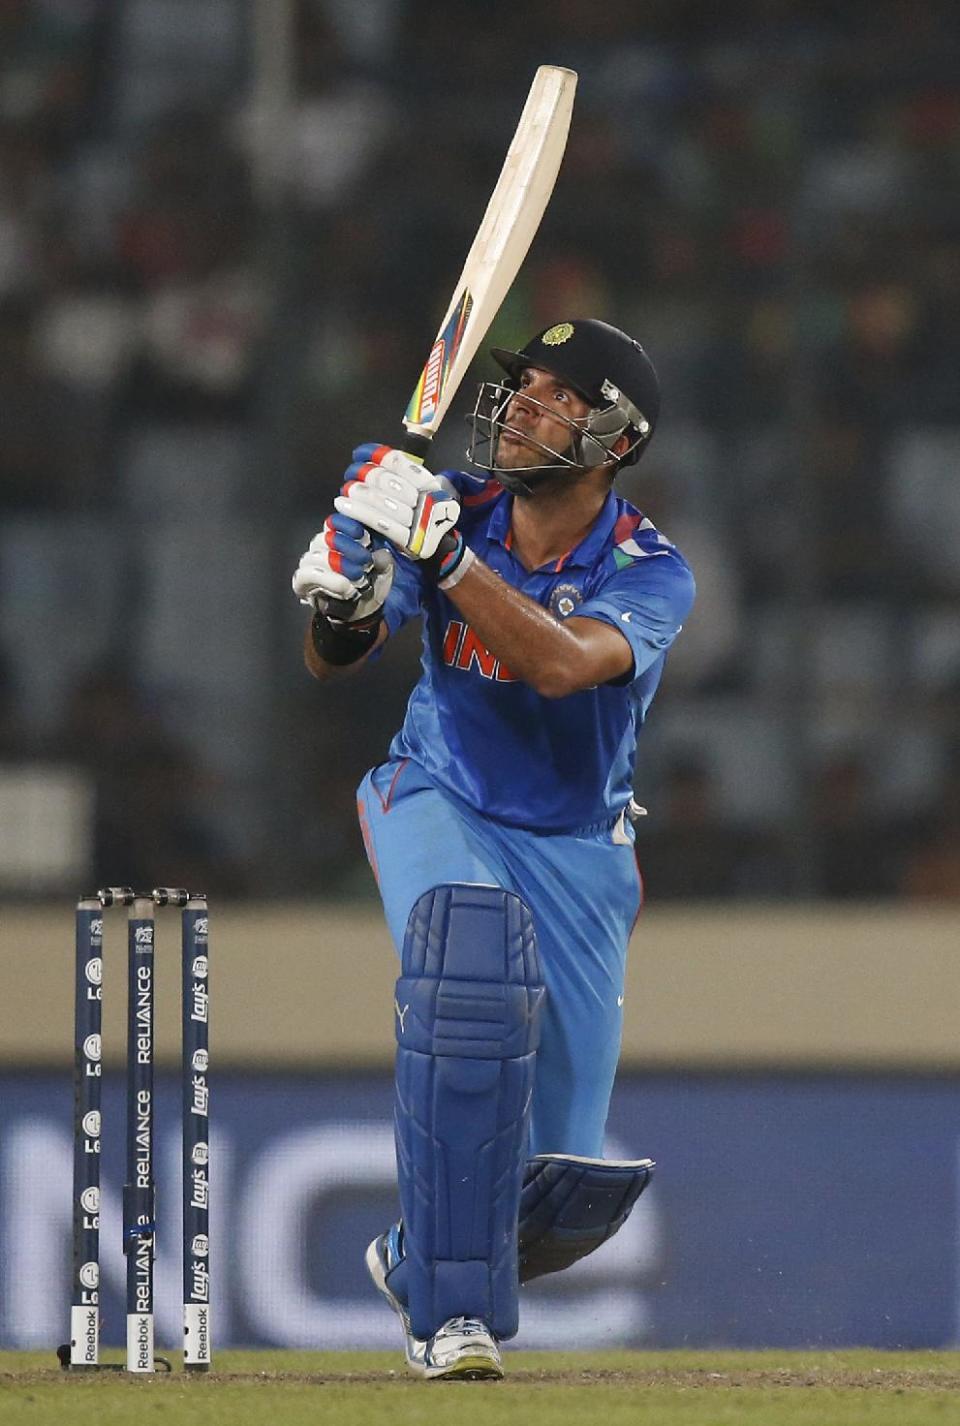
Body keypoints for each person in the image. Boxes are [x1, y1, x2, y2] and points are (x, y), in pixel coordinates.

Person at [292, 318, 695, 1379]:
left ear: (613, 436)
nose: (518, 404)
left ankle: (417, 1258)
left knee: (558, 1195)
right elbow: (336, 656)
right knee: (471, 963)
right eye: (518, 385)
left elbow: (562, 665)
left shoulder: (651, 571)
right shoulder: (457, 511)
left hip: (577, 850)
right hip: (440, 793)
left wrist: (441, 553)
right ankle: (451, 1319)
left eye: (554, 394)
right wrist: (348, 585)